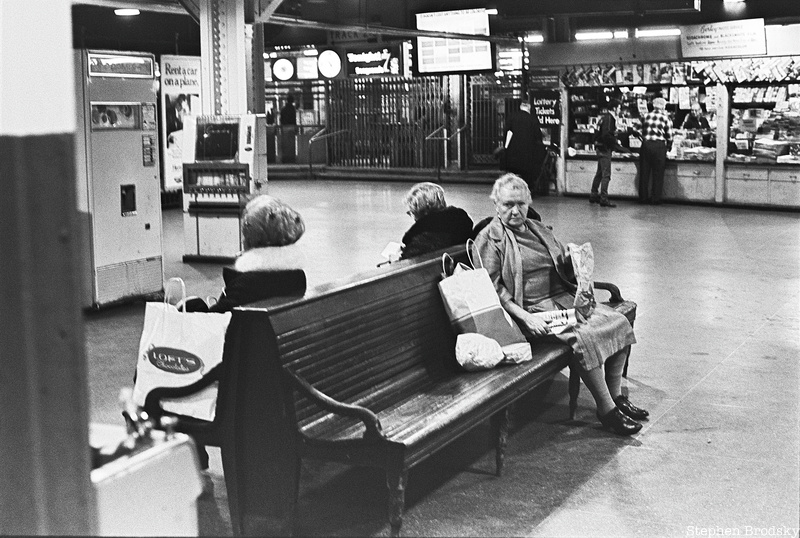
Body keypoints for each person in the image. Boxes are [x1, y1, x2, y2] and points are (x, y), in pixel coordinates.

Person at [473, 173, 647, 436]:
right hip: (532, 309)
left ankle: (616, 397)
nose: (515, 210)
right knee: (585, 337)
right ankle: (606, 410)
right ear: (496, 205)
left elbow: (558, 266)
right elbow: (492, 289)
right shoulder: (489, 239)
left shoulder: (538, 229)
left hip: (564, 299)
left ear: (528, 203)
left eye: (521, 203)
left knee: (618, 322)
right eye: (508, 204)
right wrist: (526, 317)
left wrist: (568, 259)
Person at [183, 194, 307, 313]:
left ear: (251, 241)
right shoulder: (297, 276)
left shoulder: (246, 284)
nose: (243, 240)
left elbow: (212, 321)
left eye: (245, 236)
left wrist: (188, 303)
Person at [399, 182, 473, 260]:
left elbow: (405, 263)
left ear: (422, 211)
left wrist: (398, 257)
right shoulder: (462, 224)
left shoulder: (423, 240)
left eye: (411, 212)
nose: (410, 215)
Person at [590, 99, 633, 208]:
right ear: (614, 108)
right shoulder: (610, 118)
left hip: (599, 147)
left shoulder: (604, 117)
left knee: (599, 173)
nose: (620, 110)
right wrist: (616, 143)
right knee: (606, 175)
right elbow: (606, 135)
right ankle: (603, 199)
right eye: (619, 107)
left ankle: (593, 195)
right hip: (605, 149)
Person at [504, 96, 547, 197]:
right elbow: (538, 136)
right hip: (528, 153)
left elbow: (506, 132)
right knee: (527, 174)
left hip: (513, 152)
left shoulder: (512, 116)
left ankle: (512, 191)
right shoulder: (532, 119)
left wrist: (506, 148)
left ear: (520, 107)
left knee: (514, 173)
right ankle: (526, 192)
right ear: (529, 107)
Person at [638, 97, 673, 205]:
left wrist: (643, 137)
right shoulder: (666, 118)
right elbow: (670, 136)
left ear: (653, 105)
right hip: (659, 146)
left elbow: (635, 130)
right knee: (658, 173)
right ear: (663, 106)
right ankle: (655, 198)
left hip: (646, 145)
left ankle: (643, 198)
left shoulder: (645, 116)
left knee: (644, 172)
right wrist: (669, 147)